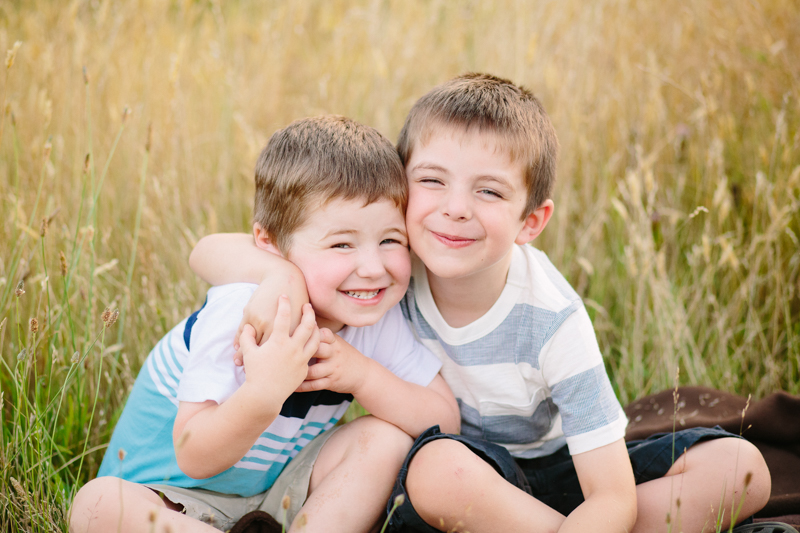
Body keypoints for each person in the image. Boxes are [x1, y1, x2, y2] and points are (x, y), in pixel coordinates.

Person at [189, 74, 773, 533]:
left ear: (531, 220)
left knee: (742, 469)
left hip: (558, 466)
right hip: (462, 473)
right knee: (436, 469)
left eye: (488, 191)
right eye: (433, 181)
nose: (455, 209)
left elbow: (612, 493)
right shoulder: (390, 266)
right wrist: (279, 279)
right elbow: (211, 250)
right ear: (399, 188)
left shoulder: (554, 320)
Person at [69, 115, 460, 533]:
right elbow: (195, 456)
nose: (372, 268)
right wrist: (263, 392)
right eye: (342, 244)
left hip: (276, 496)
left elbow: (444, 422)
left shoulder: (372, 317)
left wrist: (363, 376)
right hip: (173, 498)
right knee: (97, 505)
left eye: (390, 240)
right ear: (270, 243)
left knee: (388, 439)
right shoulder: (242, 309)